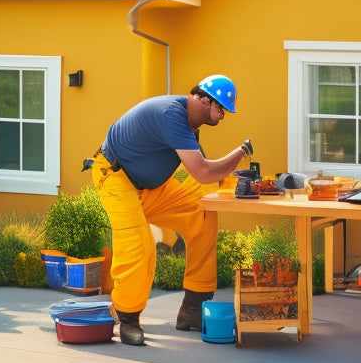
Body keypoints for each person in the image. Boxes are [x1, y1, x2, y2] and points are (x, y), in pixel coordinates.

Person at [90, 74, 253, 346]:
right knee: (139, 244)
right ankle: (127, 317)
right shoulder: (172, 115)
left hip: (149, 188)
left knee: (202, 207)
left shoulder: (188, 124)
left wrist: (235, 181)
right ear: (202, 99)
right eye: (220, 108)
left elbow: (201, 171)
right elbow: (202, 172)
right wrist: (240, 152)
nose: (222, 116)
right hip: (115, 178)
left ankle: (193, 306)